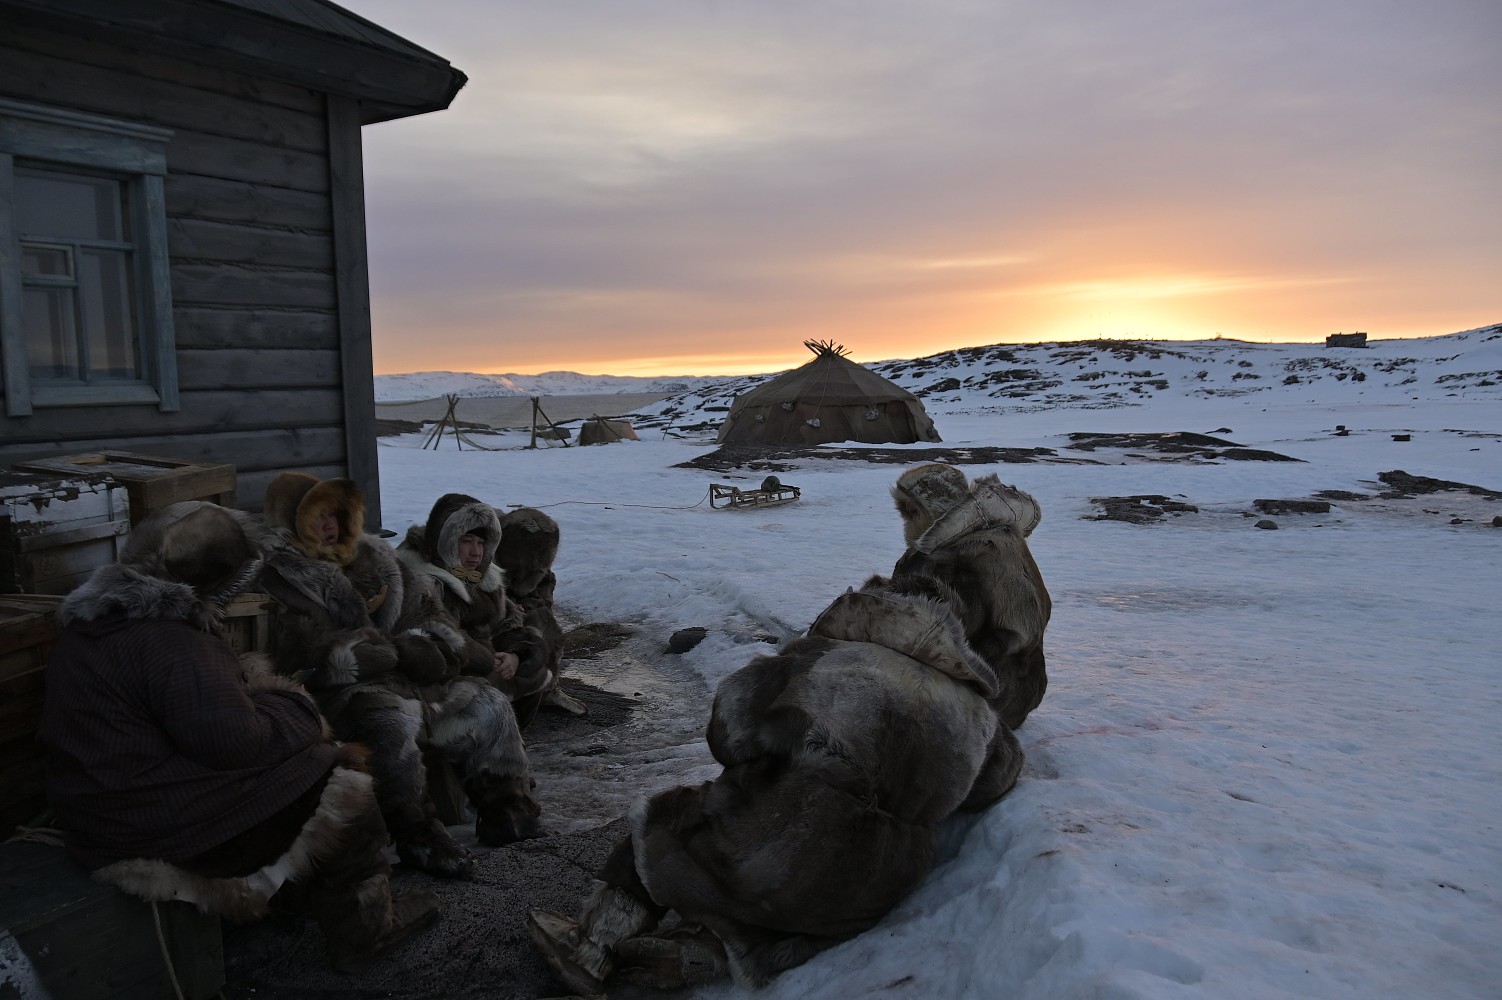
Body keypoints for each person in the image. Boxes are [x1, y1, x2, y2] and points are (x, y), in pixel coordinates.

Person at [527, 465, 1049, 992]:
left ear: (875, 613)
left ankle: (592, 944)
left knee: (669, 825)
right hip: (866, 891)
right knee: (792, 897)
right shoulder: (978, 719)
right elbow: (997, 778)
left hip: (769, 851)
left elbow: (727, 733)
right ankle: (701, 950)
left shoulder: (825, 661)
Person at [37, 502, 437, 972]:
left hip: (105, 808)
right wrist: (293, 705)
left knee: (298, 771)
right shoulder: (175, 643)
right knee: (337, 774)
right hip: (151, 825)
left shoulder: (95, 625)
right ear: (219, 582)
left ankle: (298, 897)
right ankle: (367, 931)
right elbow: (238, 743)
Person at [258, 474, 541, 881]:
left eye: (334, 512)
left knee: (488, 703)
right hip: (345, 698)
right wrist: (394, 653)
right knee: (391, 721)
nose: (329, 524)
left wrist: (436, 647)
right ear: (292, 521)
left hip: (417, 685)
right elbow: (306, 656)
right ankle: (418, 834)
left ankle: (508, 812)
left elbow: (433, 619)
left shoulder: (376, 558)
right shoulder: (279, 579)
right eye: (316, 516)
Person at [394, 494, 554, 725]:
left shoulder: (483, 577)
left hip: (484, 662)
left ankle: (512, 735)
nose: (476, 552)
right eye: (467, 541)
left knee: (534, 671)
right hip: (441, 676)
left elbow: (507, 624)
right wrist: (487, 660)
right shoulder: (421, 581)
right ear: (447, 540)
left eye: (481, 543)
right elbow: (438, 642)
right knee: (485, 693)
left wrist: (516, 655)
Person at [495, 506, 586, 718]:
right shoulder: (480, 551)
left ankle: (547, 689)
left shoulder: (540, 565)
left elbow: (541, 597)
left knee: (544, 622)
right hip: (487, 619)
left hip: (515, 614)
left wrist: (524, 608)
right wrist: (504, 604)